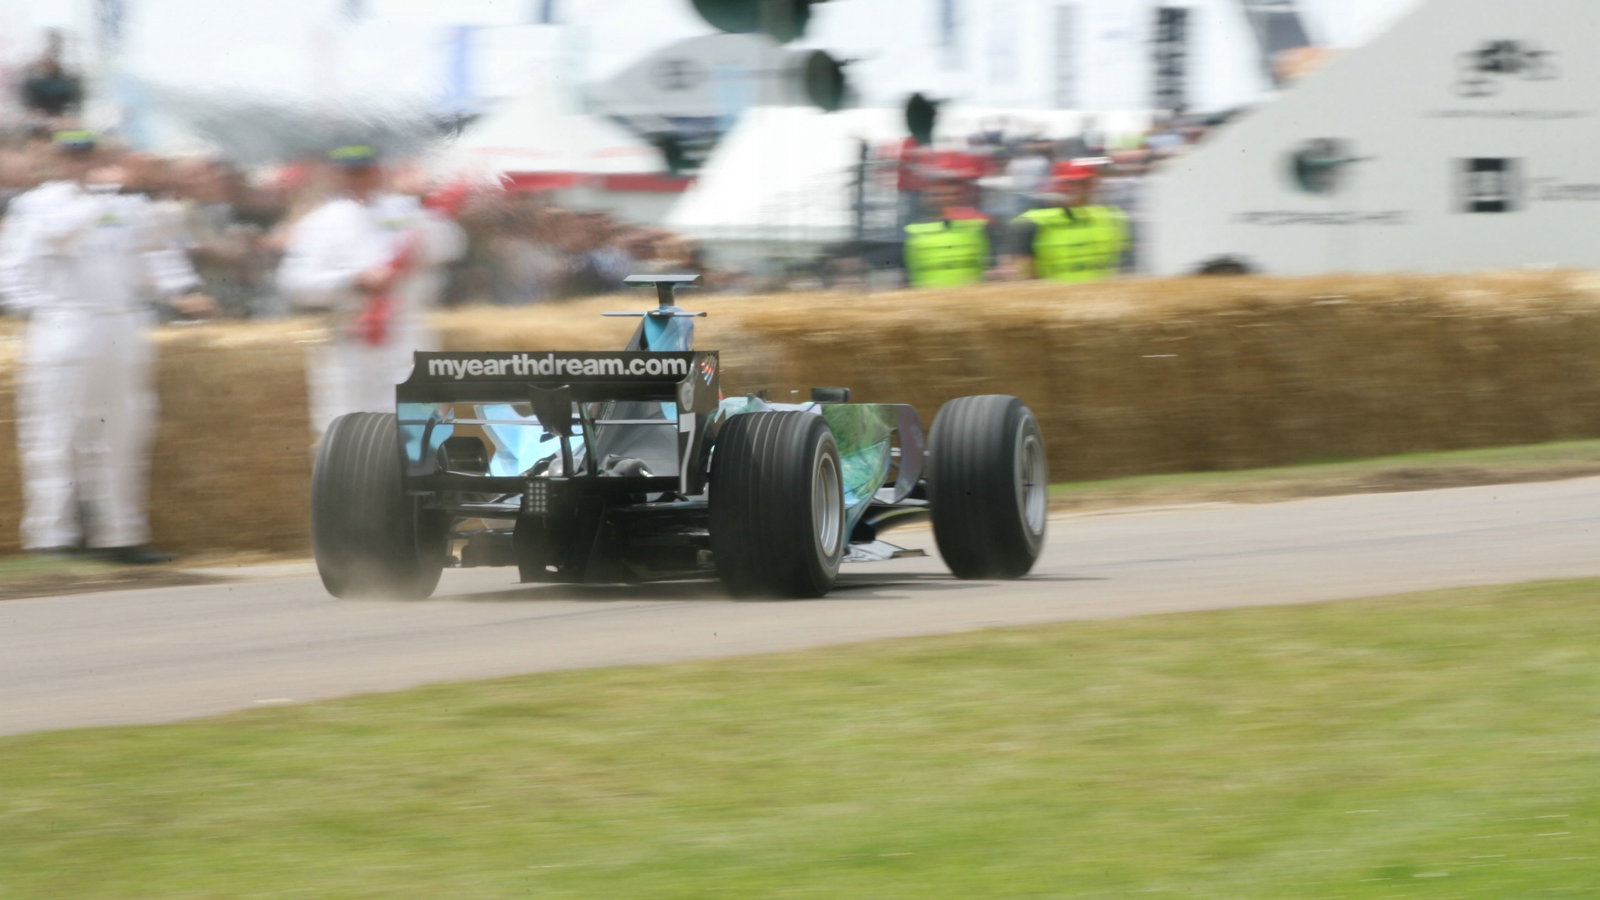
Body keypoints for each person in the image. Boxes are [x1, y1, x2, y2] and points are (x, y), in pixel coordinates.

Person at [0, 130, 214, 563]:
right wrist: (96, 197)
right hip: (65, 319)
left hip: (122, 321)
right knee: (55, 431)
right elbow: (37, 247)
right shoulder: (39, 203)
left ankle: (120, 534)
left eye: (87, 155)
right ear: (56, 160)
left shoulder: (127, 204)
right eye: (71, 156)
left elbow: (156, 252)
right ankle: (52, 538)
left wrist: (182, 290)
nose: (80, 162)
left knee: (124, 428)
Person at [278, 145, 467, 439]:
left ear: (379, 171)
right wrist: (353, 280)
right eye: (351, 172)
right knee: (349, 430)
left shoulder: (407, 210)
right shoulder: (320, 222)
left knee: (418, 430)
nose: (359, 178)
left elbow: (451, 246)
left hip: (406, 333)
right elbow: (295, 282)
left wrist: (426, 208)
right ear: (336, 175)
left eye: (365, 170)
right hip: (351, 336)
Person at [1005, 159, 1127, 284]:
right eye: (1070, 184)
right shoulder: (1032, 223)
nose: (1077, 189)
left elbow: (1122, 267)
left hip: (1102, 291)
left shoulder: (1111, 218)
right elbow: (1023, 274)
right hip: (1055, 294)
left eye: (1084, 183)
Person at [902, 170, 991, 288]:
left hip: (972, 294)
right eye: (939, 195)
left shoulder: (979, 225)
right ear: (927, 199)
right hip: (927, 295)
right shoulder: (912, 230)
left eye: (953, 194)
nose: (946, 199)